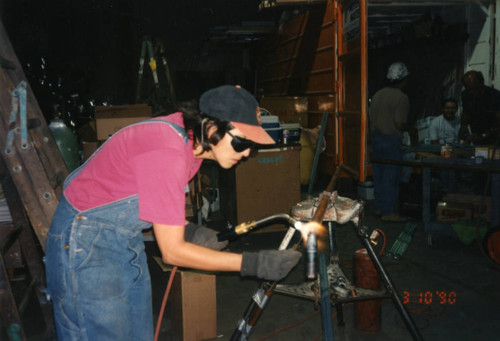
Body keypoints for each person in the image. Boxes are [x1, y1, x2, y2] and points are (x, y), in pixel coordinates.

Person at [45, 85, 322, 340]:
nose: (247, 153)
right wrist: (253, 264)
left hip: (122, 238)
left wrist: (190, 230)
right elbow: (172, 252)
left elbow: (155, 201)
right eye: (241, 143)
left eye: (252, 145)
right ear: (212, 127)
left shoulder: (193, 146)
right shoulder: (168, 149)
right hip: (85, 242)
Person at [369, 62, 409, 222]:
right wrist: (410, 127)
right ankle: (389, 212)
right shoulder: (401, 97)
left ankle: (379, 208)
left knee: (378, 177)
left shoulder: (377, 95)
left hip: (376, 140)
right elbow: (399, 124)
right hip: (391, 141)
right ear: (404, 79)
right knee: (391, 178)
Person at [459, 70, 500, 145]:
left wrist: (483, 135)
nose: (472, 93)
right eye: (469, 90)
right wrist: (463, 127)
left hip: (494, 138)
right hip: (476, 136)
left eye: (474, 89)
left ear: (481, 83)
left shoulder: (495, 96)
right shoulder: (465, 95)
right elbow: (466, 112)